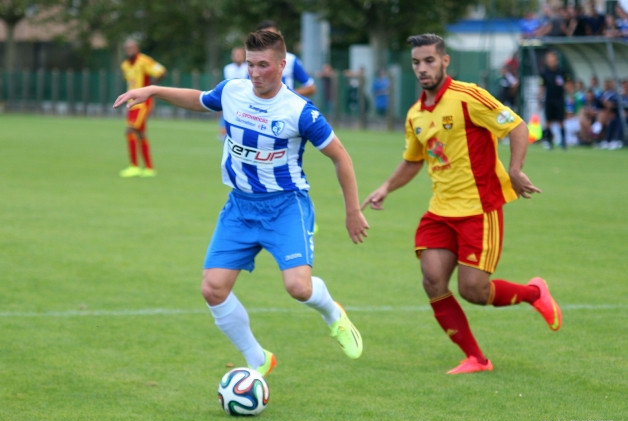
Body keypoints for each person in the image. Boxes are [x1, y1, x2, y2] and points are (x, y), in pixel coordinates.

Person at [113, 31, 369, 376]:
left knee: (298, 287)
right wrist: (153, 90)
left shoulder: (300, 112)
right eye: (250, 64)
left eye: (263, 65)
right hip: (240, 208)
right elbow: (199, 99)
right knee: (213, 289)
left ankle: (334, 315)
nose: (255, 72)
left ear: (281, 65)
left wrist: (352, 211)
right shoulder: (233, 91)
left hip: (285, 207)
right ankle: (258, 359)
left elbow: (341, 158)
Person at [361, 33, 561, 375]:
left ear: (444, 60)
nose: (422, 69)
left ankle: (533, 293)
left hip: (479, 210)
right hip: (440, 212)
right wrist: (385, 187)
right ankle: (477, 359)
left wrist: (514, 170)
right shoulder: (415, 115)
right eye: (416, 63)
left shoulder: (468, 97)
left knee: (473, 290)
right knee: (433, 280)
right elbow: (413, 160)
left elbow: (516, 126)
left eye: (428, 61)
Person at [119, 39, 167, 178]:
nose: (130, 50)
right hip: (132, 103)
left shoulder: (144, 61)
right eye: (127, 48)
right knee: (141, 134)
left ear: (137, 48)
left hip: (143, 104)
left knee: (129, 131)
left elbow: (162, 72)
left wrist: (150, 88)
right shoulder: (125, 65)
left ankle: (134, 166)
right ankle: (149, 168)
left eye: (132, 47)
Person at [256, 20, 316, 97]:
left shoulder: (291, 60)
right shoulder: (254, 62)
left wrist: (288, 95)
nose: (269, 39)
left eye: (272, 35)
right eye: (265, 37)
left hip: (285, 107)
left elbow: (311, 87)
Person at [539, 51, 569, 150]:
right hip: (549, 99)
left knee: (561, 121)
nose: (551, 61)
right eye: (549, 59)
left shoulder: (561, 71)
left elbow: (567, 84)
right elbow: (542, 87)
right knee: (548, 121)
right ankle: (548, 141)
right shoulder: (544, 72)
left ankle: (563, 142)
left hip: (559, 99)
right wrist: (540, 99)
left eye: (553, 59)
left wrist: (570, 92)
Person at [218, 47, 248, 140]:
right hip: (229, 102)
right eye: (236, 55)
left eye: (240, 55)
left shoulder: (248, 68)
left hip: (243, 102)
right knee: (223, 130)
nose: (238, 57)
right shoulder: (228, 68)